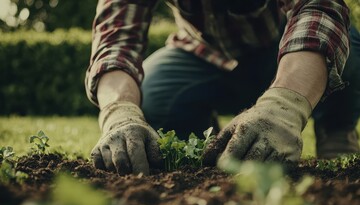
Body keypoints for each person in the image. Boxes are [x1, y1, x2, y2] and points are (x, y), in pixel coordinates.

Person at [85, 0, 360, 175]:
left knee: (347, 46)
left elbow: (319, 11)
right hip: (204, 54)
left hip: (284, 50)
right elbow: (116, 43)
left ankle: (336, 134)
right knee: (154, 94)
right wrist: (119, 112)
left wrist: (286, 106)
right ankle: (212, 147)